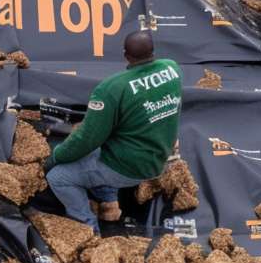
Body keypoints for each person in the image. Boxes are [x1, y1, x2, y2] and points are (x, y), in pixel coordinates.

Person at [43, 33, 181, 228]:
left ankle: (87, 228)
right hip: (159, 158)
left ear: (126, 55)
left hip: (130, 168)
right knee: (100, 148)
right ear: (153, 51)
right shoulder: (172, 69)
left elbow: (87, 139)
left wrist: (55, 157)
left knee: (59, 177)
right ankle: (109, 202)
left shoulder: (111, 89)